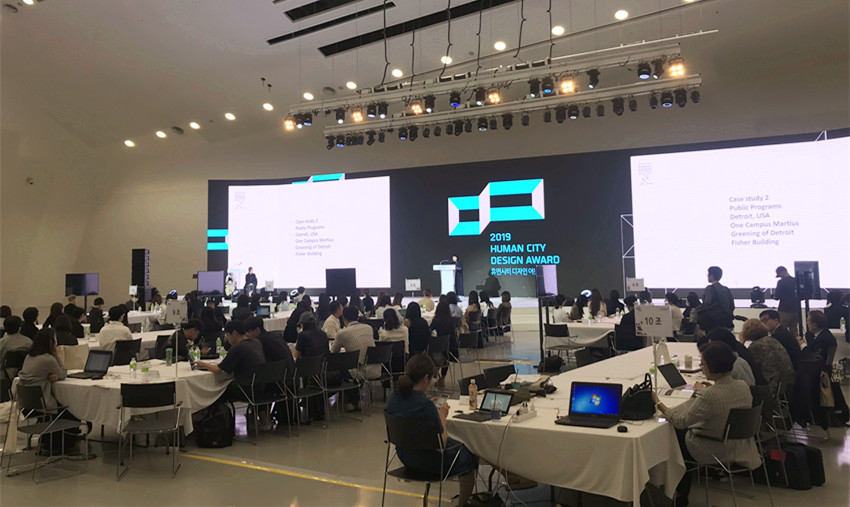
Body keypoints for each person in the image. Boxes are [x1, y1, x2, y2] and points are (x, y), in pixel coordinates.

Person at [653, 341, 760, 507]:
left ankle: (680, 493)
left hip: (713, 446)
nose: (701, 367)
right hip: (741, 444)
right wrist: (704, 392)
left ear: (712, 366)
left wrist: (658, 403)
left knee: (675, 434)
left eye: (702, 364)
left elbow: (680, 421)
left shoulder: (710, 395)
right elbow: (722, 400)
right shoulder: (742, 386)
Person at [384, 354, 478, 507]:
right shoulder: (425, 406)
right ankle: (462, 504)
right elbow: (442, 444)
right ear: (426, 378)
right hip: (431, 462)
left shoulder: (393, 397)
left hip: (405, 456)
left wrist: (429, 407)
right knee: (470, 454)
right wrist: (442, 416)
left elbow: (409, 414)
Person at [741, 318, 794, 396]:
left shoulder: (755, 346)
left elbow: (749, 365)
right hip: (785, 384)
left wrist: (742, 341)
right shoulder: (773, 341)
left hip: (771, 387)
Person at [195, 320, 265, 380]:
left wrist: (202, 364)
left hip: (244, 384)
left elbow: (217, 370)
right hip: (261, 381)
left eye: (228, 335)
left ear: (234, 333)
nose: (227, 339)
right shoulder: (256, 342)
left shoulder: (238, 347)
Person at [18, 328, 68, 409]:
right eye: (55, 339)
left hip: (26, 404)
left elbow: (38, 373)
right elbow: (63, 374)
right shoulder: (48, 360)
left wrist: (47, 376)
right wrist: (56, 355)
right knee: (70, 408)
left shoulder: (29, 356)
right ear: (51, 342)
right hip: (42, 403)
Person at [331, 307, 378, 379]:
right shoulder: (369, 328)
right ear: (357, 318)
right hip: (376, 370)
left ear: (343, 318)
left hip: (358, 372)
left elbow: (333, 352)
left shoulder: (342, 333)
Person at [429, 301, 458, 387]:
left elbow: (429, 330)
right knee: (445, 355)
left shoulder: (436, 320)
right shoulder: (452, 320)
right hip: (453, 351)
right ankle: (442, 378)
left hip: (441, 351)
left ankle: (434, 369)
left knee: (429, 351)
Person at [701, 266, 735, 331]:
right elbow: (732, 305)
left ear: (712, 276)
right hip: (726, 322)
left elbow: (707, 304)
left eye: (708, 274)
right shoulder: (726, 289)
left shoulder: (709, 289)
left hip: (712, 323)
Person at [0, 316, 32, 383]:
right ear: (19, 328)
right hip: (24, 376)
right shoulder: (28, 342)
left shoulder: (2, 342)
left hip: (3, 377)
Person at [773, 266, 800, 335]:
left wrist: (774, 296)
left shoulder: (781, 282)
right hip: (796, 310)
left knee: (781, 331)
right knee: (794, 330)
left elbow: (777, 297)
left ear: (781, 272)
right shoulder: (796, 281)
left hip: (784, 310)